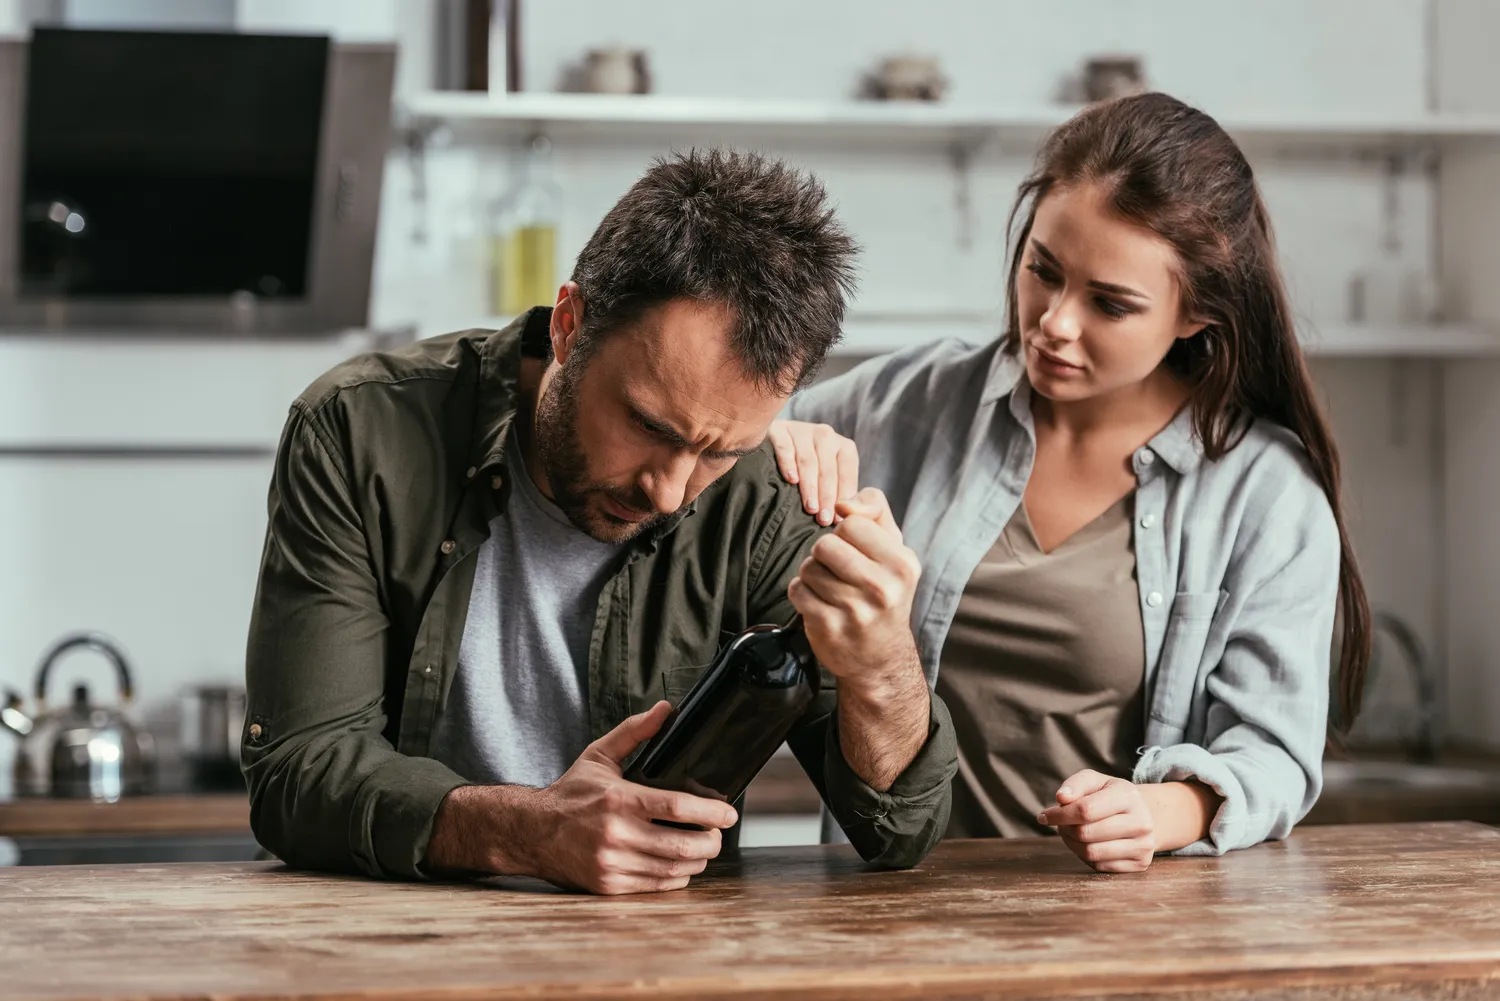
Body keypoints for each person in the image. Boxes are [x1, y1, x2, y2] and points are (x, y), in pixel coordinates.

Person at [242, 150, 957, 894]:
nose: (672, 490)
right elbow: (299, 771)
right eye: (650, 424)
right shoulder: (360, 430)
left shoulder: (767, 495)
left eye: (721, 449)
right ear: (568, 325)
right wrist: (532, 831)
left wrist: (882, 664)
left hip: (655, 960)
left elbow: (900, 828)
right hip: (396, 941)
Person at [769, 93, 1371, 873]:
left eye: (1110, 304)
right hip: (889, 912)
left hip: (1118, 931)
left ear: (1198, 314)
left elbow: (1273, 755)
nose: (1054, 322)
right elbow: (715, 447)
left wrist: (1160, 809)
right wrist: (775, 431)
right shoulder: (905, 405)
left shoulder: (1266, 494)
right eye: (1042, 271)